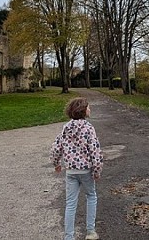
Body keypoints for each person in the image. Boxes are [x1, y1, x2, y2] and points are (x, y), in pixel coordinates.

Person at [51, 97, 104, 240]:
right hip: (86, 171)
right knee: (91, 196)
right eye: (88, 107)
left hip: (71, 172)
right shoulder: (88, 128)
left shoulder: (66, 127)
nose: (90, 109)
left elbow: (56, 147)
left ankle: (69, 237)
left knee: (70, 203)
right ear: (83, 110)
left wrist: (56, 163)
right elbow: (95, 150)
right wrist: (97, 170)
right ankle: (90, 232)